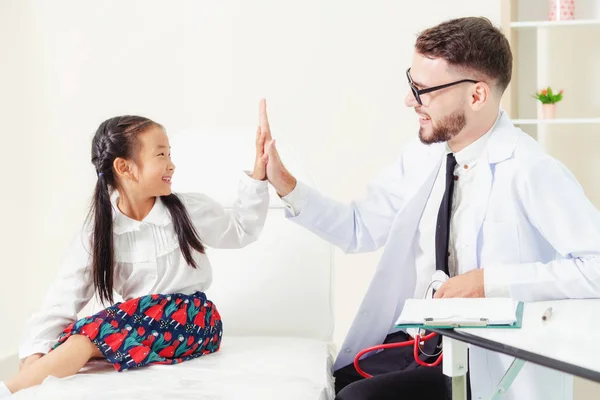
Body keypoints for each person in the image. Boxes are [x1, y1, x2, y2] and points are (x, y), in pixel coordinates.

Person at [258, 17, 600, 400]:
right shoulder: (425, 156)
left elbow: (595, 267)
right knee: (340, 385)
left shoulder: (530, 169)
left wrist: (489, 282)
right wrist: (285, 184)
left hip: (482, 364)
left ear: (476, 96)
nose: (409, 101)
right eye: (411, 84)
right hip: (422, 344)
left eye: (423, 90)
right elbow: (359, 228)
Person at [1, 111, 271, 397]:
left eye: (169, 154)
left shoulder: (189, 211)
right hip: (138, 324)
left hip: (192, 319)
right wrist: (33, 360)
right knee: (73, 339)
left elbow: (241, 229)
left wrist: (258, 173)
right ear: (124, 168)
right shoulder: (98, 233)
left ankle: (8, 391)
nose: (172, 164)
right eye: (161, 155)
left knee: (86, 340)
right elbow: (62, 300)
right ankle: (22, 387)